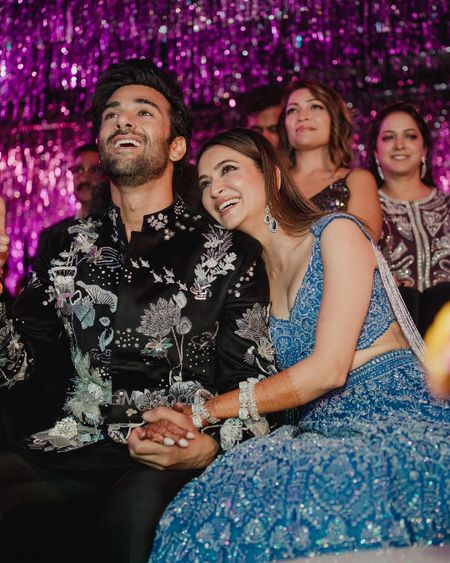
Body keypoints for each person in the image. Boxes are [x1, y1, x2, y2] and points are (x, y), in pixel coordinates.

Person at [0, 61, 274, 563]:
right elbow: (14, 368)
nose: (122, 121)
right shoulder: (63, 246)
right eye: (111, 115)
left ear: (175, 147)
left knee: (134, 518)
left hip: (174, 451)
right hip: (73, 444)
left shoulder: (231, 251)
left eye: (143, 112)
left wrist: (210, 448)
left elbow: (254, 382)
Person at [145, 128, 450, 562]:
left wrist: (201, 412)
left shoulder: (335, 232)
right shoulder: (254, 281)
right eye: (206, 183)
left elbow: (329, 369)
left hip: (391, 409)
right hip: (317, 427)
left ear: (270, 173)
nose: (215, 190)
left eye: (228, 170)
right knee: (209, 507)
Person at [367, 101, 450, 334]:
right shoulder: (364, 209)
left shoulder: (447, 205)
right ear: (375, 152)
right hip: (390, 336)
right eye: (388, 137)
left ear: (424, 149)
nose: (399, 145)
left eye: (410, 136)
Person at [279, 79, 382, 241]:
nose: (302, 116)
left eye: (315, 107)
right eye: (292, 110)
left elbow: (363, 250)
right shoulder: (273, 183)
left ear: (335, 120)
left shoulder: (357, 181)